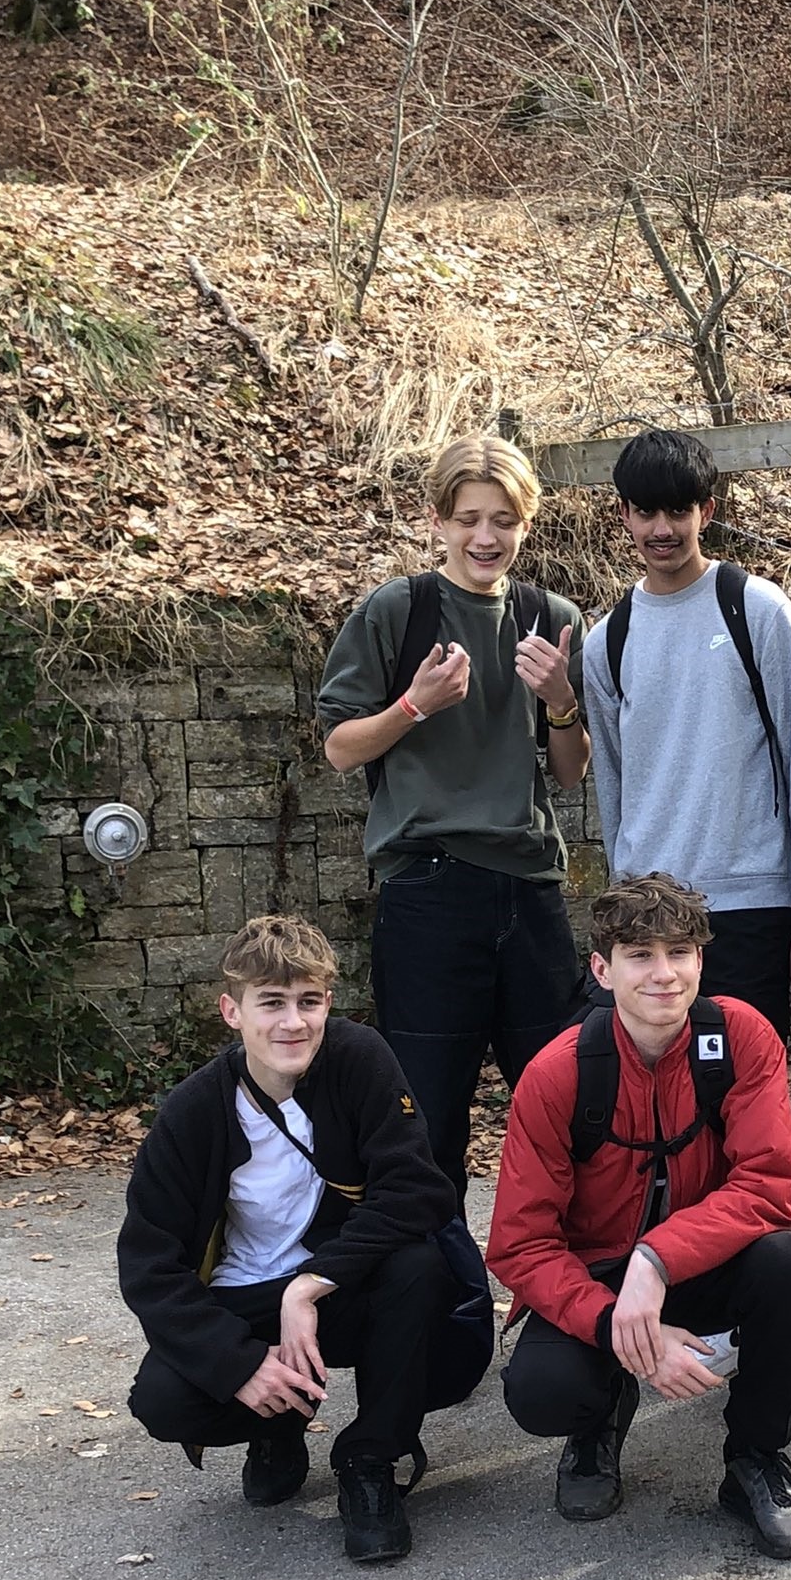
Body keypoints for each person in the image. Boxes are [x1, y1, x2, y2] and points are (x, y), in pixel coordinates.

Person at [581, 426, 791, 1416]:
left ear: (708, 509)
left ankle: (780, 1329)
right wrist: (619, 918)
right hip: (651, 916)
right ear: (623, 517)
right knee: (657, 1126)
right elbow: (612, 784)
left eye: (678, 509)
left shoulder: (755, 609)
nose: (662, 528)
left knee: (748, 1126)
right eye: (644, 511)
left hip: (749, 901)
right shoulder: (606, 638)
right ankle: (688, 1313)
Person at [487, 874, 791, 1559]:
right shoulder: (556, 1074)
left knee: (789, 1266)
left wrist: (657, 1258)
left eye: (680, 952)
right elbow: (521, 1245)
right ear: (602, 969)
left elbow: (774, 1184)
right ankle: (598, 1423)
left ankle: (756, 1456)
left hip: (700, 1265)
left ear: (702, 960)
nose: (664, 974)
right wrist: (621, 1327)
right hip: (598, 1281)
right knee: (544, 1392)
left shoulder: (741, 1036)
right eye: (640, 955)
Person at [118, 916, 460, 1564]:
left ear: (328, 1003)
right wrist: (238, 1363)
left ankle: (370, 1459)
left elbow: (418, 1190)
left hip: (334, 1288)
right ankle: (277, 1424)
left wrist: (310, 1285)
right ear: (232, 1011)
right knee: (163, 1400)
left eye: (309, 1001)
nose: (293, 1023)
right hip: (240, 1299)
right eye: (271, 1003)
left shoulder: (358, 1059)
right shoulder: (193, 1111)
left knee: (418, 1267)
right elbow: (147, 1264)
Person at [318, 433, 589, 1206]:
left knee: (564, 1112)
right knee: (426, 1120)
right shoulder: (397, 612)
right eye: (468, 519)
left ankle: (559, 1274)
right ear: (438, 520)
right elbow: (340, 748)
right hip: (428, 893)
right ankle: (434, 1277)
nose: (485, 537)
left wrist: (561, 701)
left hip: (530, 892)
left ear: (526, 524)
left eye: (503, 520)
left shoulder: (550, 618)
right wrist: (414, 704)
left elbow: (570, 772)